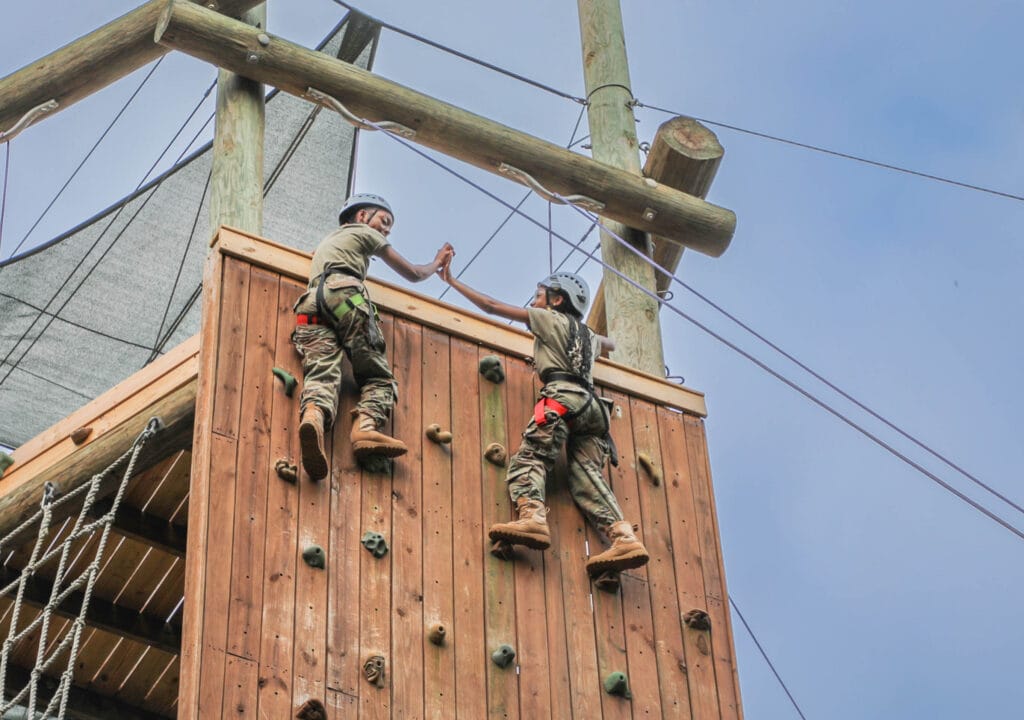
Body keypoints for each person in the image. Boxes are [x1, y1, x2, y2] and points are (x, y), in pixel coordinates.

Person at [438, 261, 649, 577]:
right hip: (593, 409)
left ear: (557, 299)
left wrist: (451, 280)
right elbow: (611, 344)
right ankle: (623, 536)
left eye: (538, 296)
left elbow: (491, 306)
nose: (533, 303)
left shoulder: (548, 318)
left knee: (529, 460)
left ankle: (533, 518)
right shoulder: (589, 336)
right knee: (586, 474)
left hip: (561, 397)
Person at [293, 193, 453, 481]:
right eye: (384, 220)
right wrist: (436, 263)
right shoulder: (363, 232)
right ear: (362, 216)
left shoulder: (328, 243)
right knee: (378, 377)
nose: (387, 229)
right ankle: (365, 427)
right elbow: (414, 273)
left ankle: (313, 418)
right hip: (345, 298)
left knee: (322, 374)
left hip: (310, 307)